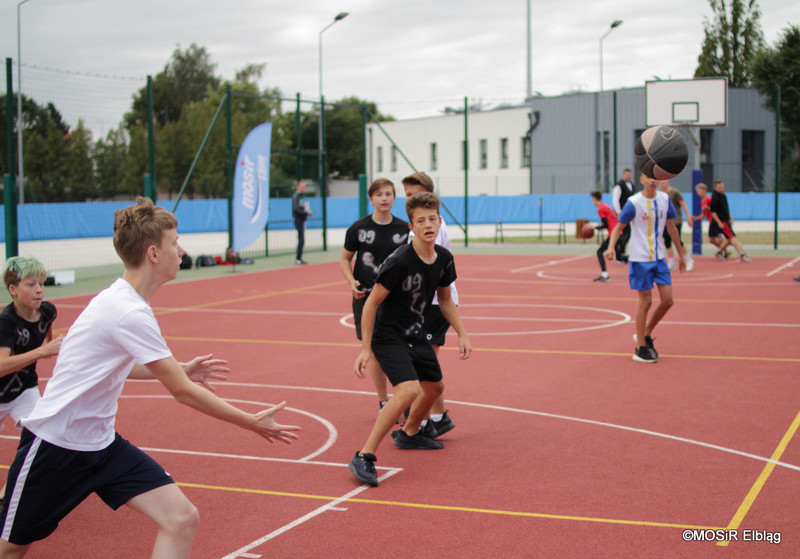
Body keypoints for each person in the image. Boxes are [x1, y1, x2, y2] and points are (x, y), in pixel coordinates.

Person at [0, 197, 300, 558]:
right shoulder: (127, 311)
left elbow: (116, 365)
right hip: (55, 446)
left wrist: (179, 369)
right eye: (176, 243)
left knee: (181, 518)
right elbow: (183, 393)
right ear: (154, 254)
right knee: (11, 549)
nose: (182, 250)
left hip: (101, 445)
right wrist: (250, 421)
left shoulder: (125, 303)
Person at [348, 192, 471, 487]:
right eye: (420, 221)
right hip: (388, 336)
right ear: (411, 227)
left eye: (432, 219)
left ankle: (410, 433)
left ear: (440, 222)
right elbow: (371, 304)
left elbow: (444, 300)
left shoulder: (443, 259)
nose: (427, 225)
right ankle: (363, 455)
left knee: (435, 386)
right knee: (407, 390)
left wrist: (462, 332)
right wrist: (366, 348)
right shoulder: (400, 260)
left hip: (415, 333)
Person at [339, 178, 409, 410]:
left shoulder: (403, 228)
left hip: (396, 300)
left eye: (388, 194)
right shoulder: (359, 228)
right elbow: (345, 258)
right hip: (366, 298)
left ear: (394, 198)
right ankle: (383, 400)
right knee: (376, 351)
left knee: (402, 348)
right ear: (371, 199)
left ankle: (404, 396)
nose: (384, 198)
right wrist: (351, 282)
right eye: (379, 194)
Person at [0, 257, 63, 508]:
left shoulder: (47, 310)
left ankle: (9, 491)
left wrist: (47, 344)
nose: (39, 289)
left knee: (45, 432)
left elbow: (47, 328)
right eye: (30, 284)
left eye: (41, 283)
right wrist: (40, 352)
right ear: (13, 290)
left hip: (23, 391)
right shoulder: (6, 321)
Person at [400, 172, 458, 437]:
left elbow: (426, 270)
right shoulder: (424, 225)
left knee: (424, 365)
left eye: (413, 194)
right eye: (407, 194)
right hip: (427, 302)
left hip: (433, 303)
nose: (408, 199)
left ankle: (423, 419)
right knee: (426, 363)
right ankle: (436, 415)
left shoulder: (433, 229)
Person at [605, 175, 686, 363]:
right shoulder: (633, 202)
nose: (652, 180)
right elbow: (618, 227)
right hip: (640, 259)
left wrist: (681, 255)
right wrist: (610, 248)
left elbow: (672, 228)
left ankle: (646, 332)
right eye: (648, 177)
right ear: (641, 179)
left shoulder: (665, 199)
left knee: (668, 300)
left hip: (659, 258)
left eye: (655, 177)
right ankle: (640, 348)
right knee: (646, 302)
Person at [709, 180, 751, 263]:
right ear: (716, 187)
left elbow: (726, 209)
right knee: (732, 237)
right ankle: (741, 254)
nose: (722, 188)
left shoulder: (723, 196)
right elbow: (713, 213)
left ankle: (719, 252)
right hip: (722, 222)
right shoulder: (715, 198)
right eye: (720, 187)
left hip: (726, 220)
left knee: (728, 239)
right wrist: (719, 223)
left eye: (722, 186)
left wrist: (731, 217)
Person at [658, 180, 695, 271]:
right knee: (667, 241)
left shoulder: (675, 192)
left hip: (676, 220)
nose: (662, 185)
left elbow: (683, 204)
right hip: (665, 221)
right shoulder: (660, 194)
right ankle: (671, 262)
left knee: (678, 241)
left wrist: (688, 217)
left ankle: (688, 259)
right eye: (660, 183)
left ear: (668, 182)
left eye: (663, 183)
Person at [688, 182, 730, 257]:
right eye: (697, 192)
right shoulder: (702, 201)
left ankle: (725, 248)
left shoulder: (709, 199)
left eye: (699, 191)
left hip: (715, 221)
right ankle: (725, 249)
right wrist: (696, 218)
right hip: (711, 221)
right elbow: (704, 214)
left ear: (704, 191)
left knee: (720, 238)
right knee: (711, 239)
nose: (698, 193)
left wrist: (709, 208)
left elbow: (717, 209)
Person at [590, 191, 624, 282]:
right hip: (618, 233)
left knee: (599, 251)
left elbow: (605, 225)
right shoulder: (606, 206)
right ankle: (636, 258)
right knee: (619, 257)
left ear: (594, 198)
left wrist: (594, 227)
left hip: (614, 234)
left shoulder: (601, 208)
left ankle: (605, 275)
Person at [611, 168, 636, 260]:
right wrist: (618, 212)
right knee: (623, 233)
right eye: (626, 174)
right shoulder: (619, 186)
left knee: (628, 233)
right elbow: (615, 199)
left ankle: (622, 251)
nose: (628, 176)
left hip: (631, 213)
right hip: (622, 213)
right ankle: (619, 252)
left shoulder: (632, 186)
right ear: (623, 175)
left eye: (629, 174)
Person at [292, 181, 313, 265]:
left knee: (302, 239)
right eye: (302, 187)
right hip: (298, 220)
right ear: (297, 187)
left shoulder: (301, 197)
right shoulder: (296, 196)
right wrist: (306, 213)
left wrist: (306, 212)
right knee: (301, 239)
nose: (304, 189)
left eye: (304, 187)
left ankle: (299, 257)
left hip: (302, 220)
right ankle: (298, 258)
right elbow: (296, 209)